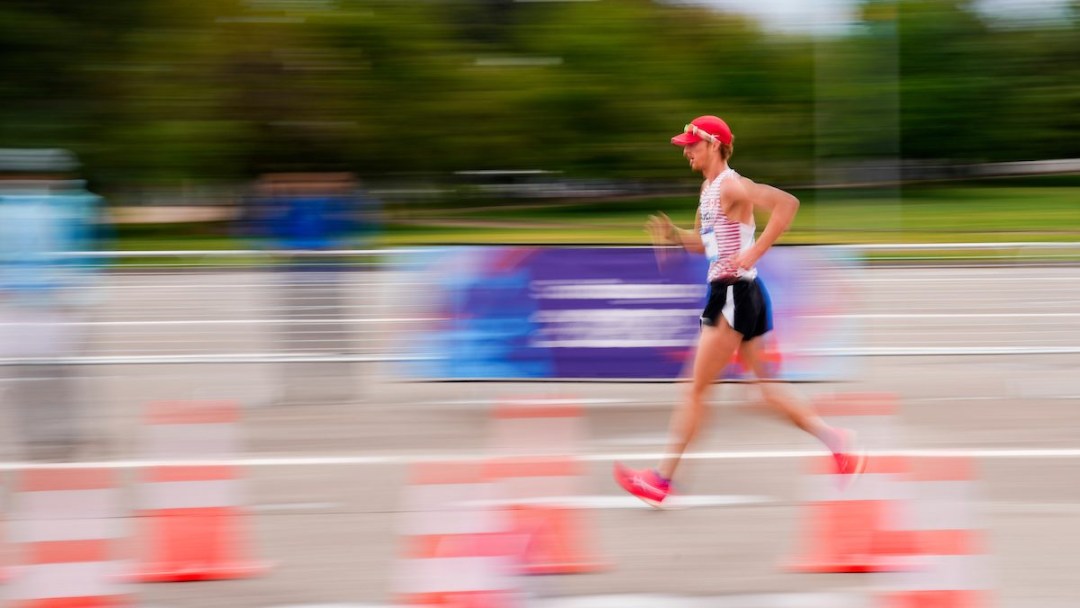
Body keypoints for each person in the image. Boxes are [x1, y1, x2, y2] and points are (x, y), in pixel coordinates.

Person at [613, 116, 866, 507]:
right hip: (742, 292)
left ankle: (662, 481)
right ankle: (838, 444)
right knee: (760, 391)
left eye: (691, 145)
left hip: (733, 293)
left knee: (693, 389)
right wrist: (674, 236)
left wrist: (753, 252)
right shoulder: (708, 189)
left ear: (714, 144)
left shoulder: (732, 184)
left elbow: (787, 205)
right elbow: (703, 243)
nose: (686, 151)